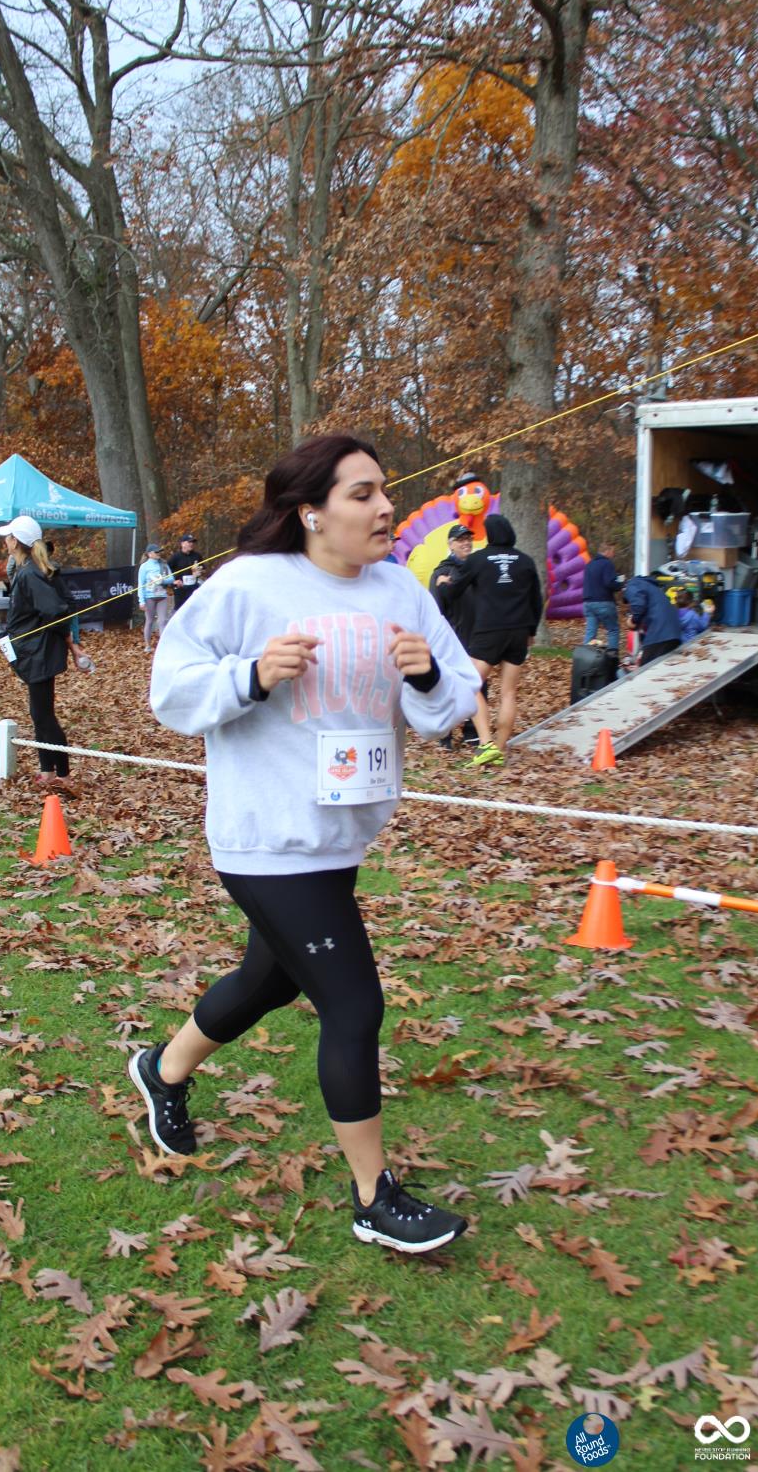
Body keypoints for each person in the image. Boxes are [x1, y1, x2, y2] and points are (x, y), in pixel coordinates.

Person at [131, 433, 479, 1255]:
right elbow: (170, 691)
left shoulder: (401, 590)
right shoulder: (248, 585)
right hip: (267, 838)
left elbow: (453, 703)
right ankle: (373, 1198)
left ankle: (163, 1068)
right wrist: (252, 675)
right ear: (310, 512)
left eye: (384, 490)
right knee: (354, 1005)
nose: (386, 507)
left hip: (341, 834)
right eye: (363, 494)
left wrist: (428, 676)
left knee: (270, 980)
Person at [439, 513, 542, 767]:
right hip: (518, 632)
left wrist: (442, 585)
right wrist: (531, 632)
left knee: (470, 685)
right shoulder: (525, 561)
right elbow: (537, 600)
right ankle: (500, 749)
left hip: (489, 631)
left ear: (490, 534)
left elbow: (454, 591)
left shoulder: (479, 559)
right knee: (508, 693)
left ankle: (486, 744)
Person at [0, 515, 75, 790]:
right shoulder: (29, 570)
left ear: (15, 541)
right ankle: (47, 770)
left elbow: (55, 610)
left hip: (39, 652)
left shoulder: (31, 573)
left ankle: (63, 774)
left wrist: (68, 641)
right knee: (39, 713)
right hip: (34, 651)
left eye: (8, 537)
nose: (5, 541)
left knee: (44, 715)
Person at [430, 523, 480, 749]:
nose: (466, 543)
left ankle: (472, 731)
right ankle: (446, 734)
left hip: (476, 635)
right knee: (448, 684)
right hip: (452, 636)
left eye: (468, 539)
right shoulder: (442, 572)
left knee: (477, 683)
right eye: (461, 539)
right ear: (450, 544)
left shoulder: (477, 569)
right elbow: (435, 609)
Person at [44, 541, 94, 673]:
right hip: (56, 615)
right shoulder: (33, 572)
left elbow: (67, 605)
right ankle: (78, 656)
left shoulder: (50, 572)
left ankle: (80, 660)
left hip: (63, 611)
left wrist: (73, 642)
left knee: (71, 637)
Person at [622, 573, 682, 667]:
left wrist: (633, 621)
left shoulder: (632, 585)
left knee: (644, 669)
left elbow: (638, 606)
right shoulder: (650, 587)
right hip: (673, 632)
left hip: (660, 632)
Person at [582, 540, 622, 649]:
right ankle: (612, 655)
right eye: (613, 551)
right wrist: (620, 585)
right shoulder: (607, 564)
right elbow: (609, 582)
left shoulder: (589, 564)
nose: (613, 554)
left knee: (590, 632)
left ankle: (585, 656)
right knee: (613, 629)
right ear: (607, 551)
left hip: (588, 603)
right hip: (603, 602)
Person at [137, 542, 174, 653]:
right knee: (149, 621)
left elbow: (171, 578)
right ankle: (148, 645)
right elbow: (140, 584)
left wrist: (162, 580)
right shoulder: (144, 567)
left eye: (159, 551)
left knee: (162, 621)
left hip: (162, 596)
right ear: (149, 554)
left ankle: (163, 646)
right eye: (156, 552)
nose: (159, 553)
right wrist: (141, 601)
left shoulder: (164, 564)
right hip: (149, 597)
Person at [168, 533, 204, 610]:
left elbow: (203, 568)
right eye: (189, 542)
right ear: (182, 543)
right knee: (180, 611)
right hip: (180, 589)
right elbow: (166, 571)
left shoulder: (197, 556)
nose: (191, 544)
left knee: (195, 609)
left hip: (194, 588)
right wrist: (173, 582)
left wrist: (200, 571)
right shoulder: (175, 557)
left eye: (193, 542)